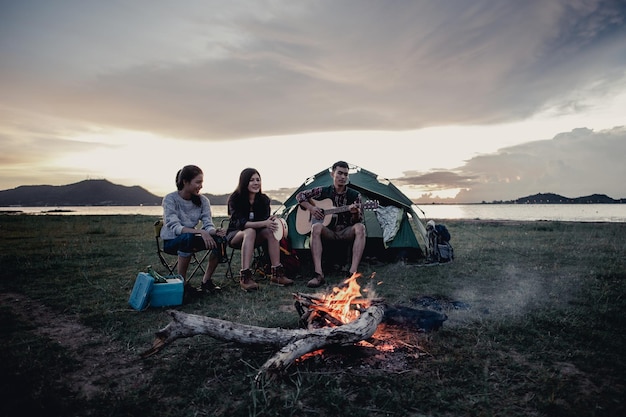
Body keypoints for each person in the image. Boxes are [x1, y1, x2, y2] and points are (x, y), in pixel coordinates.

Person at [295, 161, 366, 288]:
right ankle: (318, 274)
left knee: (361, 228)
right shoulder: (323, 191)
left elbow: (357, 221)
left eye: (345, 174)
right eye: (339, 173)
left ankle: (352, 274)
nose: (343, 177)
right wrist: (312, 209)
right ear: (332, 174)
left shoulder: (355, 196)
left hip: (345, 232)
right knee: (315, 227)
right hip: (329, 232)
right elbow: (300, 196)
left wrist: (355, 213)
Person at [160, 165, 226, 295]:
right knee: (187, 238)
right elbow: (176, 228)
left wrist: (214, 231)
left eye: (202, 182)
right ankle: (182, 284)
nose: (201, 186)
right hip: (172, 242)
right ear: (185, 182)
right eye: (198, 182)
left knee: (220, 239)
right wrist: (200, 232)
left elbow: (207, 224)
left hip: (191, 239)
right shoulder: (170, 199)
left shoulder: (203, 201)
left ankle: (206, 281)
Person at [225, 168, 294, 291]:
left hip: (255, 237)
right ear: (244, 182)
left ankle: (277, 274)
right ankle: (245, 277)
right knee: (250, 231)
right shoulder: (235, 199)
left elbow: (264, 221)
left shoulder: (263, 200)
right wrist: (264, 222)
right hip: (236, 235)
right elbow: (242, 224)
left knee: (270, 230)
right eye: (252, 180)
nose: (256, 183)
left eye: (258, 180)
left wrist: (270, 220)